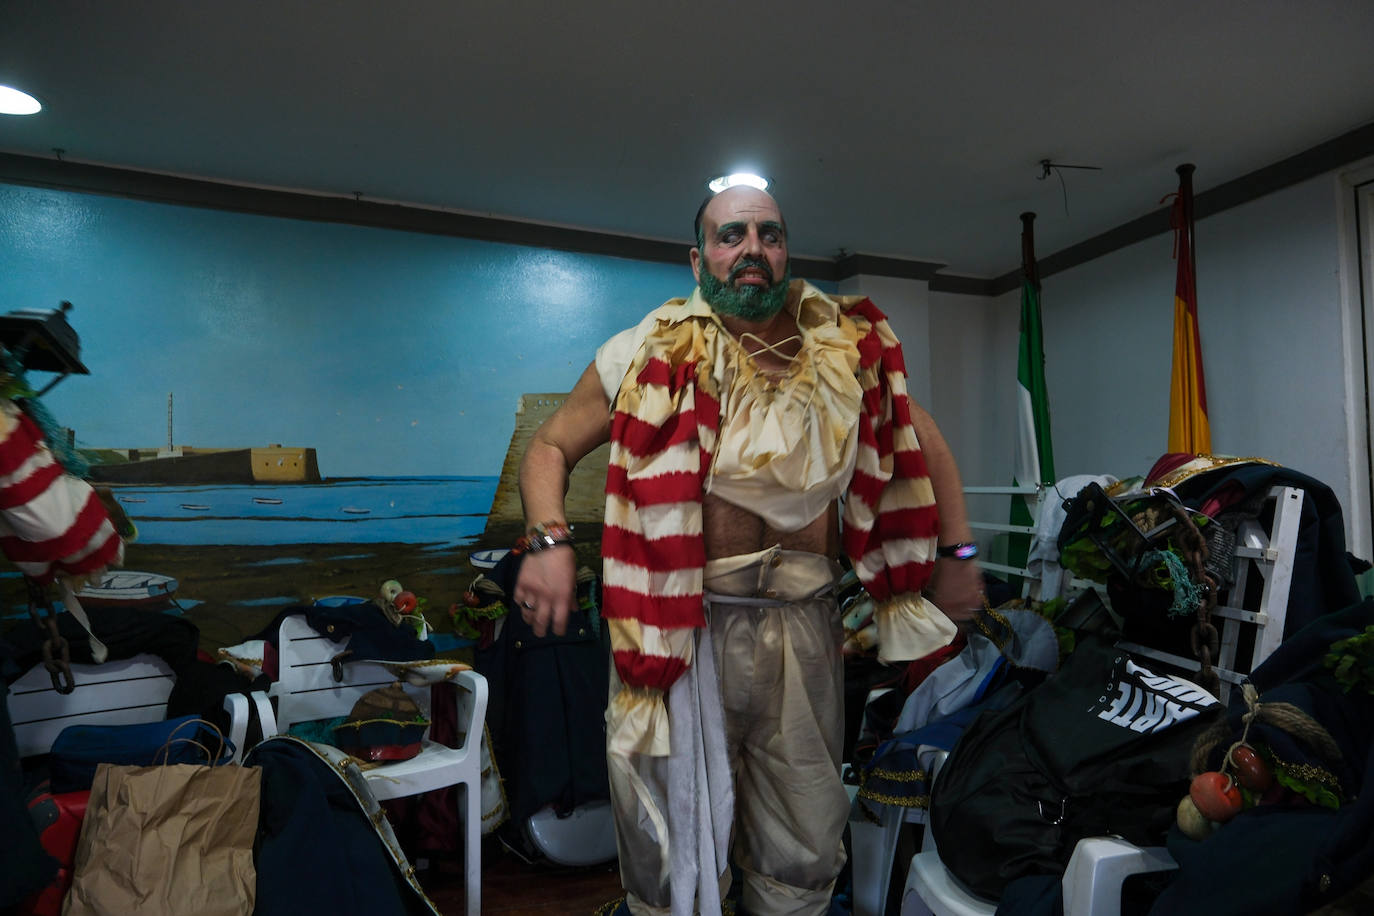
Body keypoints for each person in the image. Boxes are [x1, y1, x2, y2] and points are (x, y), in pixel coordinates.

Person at [514, 185, 983, 916]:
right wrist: (546, 540)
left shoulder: (844, 353)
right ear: (699, 258)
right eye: (732, 235)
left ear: (786, 252)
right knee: (666, 843)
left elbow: (926, 443)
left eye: (770, 234)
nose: (753, 250)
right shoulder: (645, 351)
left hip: (805, 627)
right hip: (679, 632)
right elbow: (549, 446)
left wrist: (957, 557)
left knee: (802, 841)